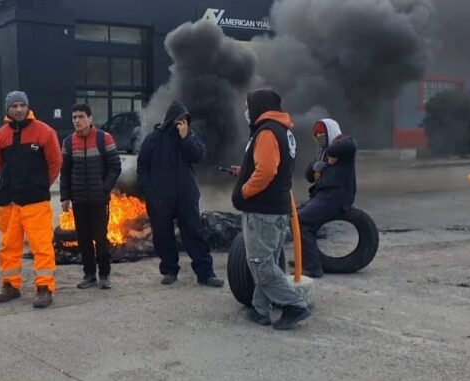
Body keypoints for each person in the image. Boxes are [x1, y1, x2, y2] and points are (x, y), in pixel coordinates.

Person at [230, 88, 311, 330]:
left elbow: (266, 172)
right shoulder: (284, 132)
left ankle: (295, 305)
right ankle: (260, 309)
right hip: (277, 209)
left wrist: (244, 191)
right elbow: (272, 166)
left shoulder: (266, 132)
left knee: (260, 264)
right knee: (269, 260)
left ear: (259, 107)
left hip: (263, 211)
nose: (246, 111)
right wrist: (243, 171)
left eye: (248, 106)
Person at [136, 100, 224, 288]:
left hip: (185, 195)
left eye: (185, 120)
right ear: (170, 120)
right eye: (179, 120)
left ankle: (205, 274)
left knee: (194, 233)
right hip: (160, 197)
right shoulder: (154, 139)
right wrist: (148, 190)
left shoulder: (190, 137)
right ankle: (169, 270)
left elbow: (198, 155)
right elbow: (142, 165)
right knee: (163, 235)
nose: (182, 123)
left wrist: (186, 138)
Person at [0, 91, 62, 308]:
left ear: (28, 107)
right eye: (14, 106)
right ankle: (10, 285)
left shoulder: (44, 132)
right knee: (8, 246)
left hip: (36, 201)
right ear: (8, 109)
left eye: (22, 105)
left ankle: (44, 288)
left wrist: (39, 185)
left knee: (42, 246)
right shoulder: (0, 136)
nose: (19, 109)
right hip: (9, 202)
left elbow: (55, 163)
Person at [60, 103, 122, 289]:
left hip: (98, 200)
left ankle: (104, 275)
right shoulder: (68, 143)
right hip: (79, 201)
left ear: (90, 118)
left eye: (81, 117)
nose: (77, 121)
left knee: (100, 239)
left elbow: (115, 166)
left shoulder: (105, 139)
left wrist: (104, 188)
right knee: (84, 239)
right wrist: (65, 197)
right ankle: (89, 275)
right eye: (74, 118)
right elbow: (65, 171)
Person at [298, 118, 357, 279]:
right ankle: (304, 259)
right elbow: (309, 176)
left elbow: (349, 145)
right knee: (293, 215)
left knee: (301, 221)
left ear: (330, 131)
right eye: (316, 135)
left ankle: (312, 268)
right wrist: (315, 166)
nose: (319, 137)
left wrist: (331, 153)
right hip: (321, 196)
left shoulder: (343, 143)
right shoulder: (321, 152)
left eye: (322, 134)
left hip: (335, 197)